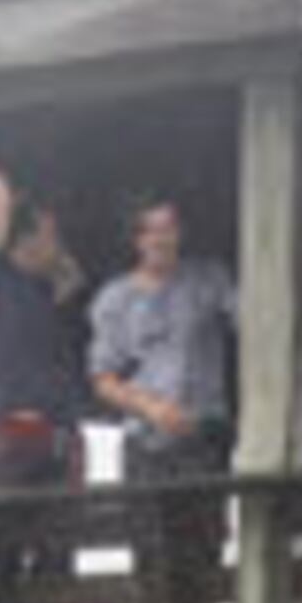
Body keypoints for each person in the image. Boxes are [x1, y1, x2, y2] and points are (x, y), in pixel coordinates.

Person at [87, 195, 237, 485]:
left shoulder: (210, 279)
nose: (160, 240)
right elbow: (102, 380)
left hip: (202, 439)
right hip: (145, 445)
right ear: (137, 240)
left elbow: (256, 324)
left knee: (201, 531)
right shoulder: (114, 298)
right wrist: (151, 408)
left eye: (168, 228)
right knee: (143, 531)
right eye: (150, 230)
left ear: (181, 233)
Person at [0, 169, 87, 493]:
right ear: (26, 241)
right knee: (1, 538)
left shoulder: (58, 296)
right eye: (53, 235)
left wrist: (65, 276)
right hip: (6, 436)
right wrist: (21, 200)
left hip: (58, 439)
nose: (59, 245)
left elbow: (72, 278)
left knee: (59, 540)